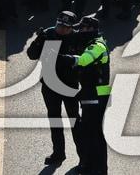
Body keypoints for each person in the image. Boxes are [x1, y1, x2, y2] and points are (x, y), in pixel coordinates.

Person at [27, 11, 83, 167]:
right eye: (59, 25)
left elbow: (83, 62)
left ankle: (83, 157)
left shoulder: (77, 38)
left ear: (71, 27)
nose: (61, 29)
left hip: (69, 85)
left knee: (75, 120)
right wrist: (39, 41)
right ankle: (58, 153)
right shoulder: (48, 34)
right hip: (50, 85)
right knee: (55, 120)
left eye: (65, 27)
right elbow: (31, 54)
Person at [67, 15, 111, 175]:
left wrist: (68, 59)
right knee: (88, 131)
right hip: (89, 93)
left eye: (82, 28)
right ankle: (90, 164)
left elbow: (85, 60)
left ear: (91, 29)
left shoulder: (97, 45)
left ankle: (99, 169)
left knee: (94, 133)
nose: (80, 31)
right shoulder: (88, 43)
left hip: (97, 94)